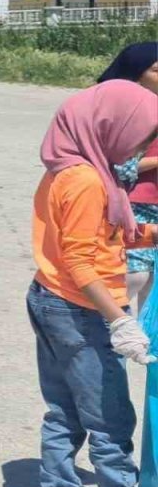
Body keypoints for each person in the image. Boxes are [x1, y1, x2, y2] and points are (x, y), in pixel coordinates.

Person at [25, 80, 158, 487]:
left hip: (53, 299)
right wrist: (119, 321)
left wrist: (150, 234)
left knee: (64, 411)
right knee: (110, 419)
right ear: (109, 127)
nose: (140, 148)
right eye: (140, 136)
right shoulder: (83, 180)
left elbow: (106, 235)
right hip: (80, 310)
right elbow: (82, 260)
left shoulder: (77, 167)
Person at [98, 41, 158, 315]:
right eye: (156, 70)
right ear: (134, 75)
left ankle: (149, 354)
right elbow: (119, 167)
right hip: (135, 207)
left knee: (154, 295)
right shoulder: (122, 113)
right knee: (133, 278)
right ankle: (114, 346)